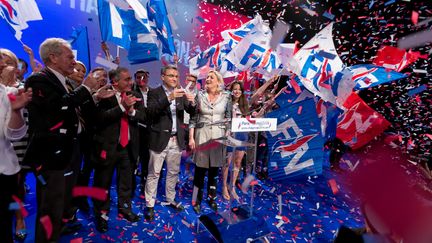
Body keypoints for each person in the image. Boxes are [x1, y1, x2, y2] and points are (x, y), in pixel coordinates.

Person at [24, 38, 100, 242]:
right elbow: (56, 109)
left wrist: (91, 94)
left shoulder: (64, 81)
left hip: (69, 151)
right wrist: (84, 89)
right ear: (53, 57)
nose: (74, 62)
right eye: (70, 57)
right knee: (50, 207)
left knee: (60, 203)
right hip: (51, 156)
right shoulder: (38, 79)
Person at [91, 67, 146, 232]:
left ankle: (125, 208)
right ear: (115, 82)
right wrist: (122, 107)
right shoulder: (103, 95)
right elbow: (99, 119)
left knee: (126, 182)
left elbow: (143, 116)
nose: (131, 82)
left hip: (128, 148)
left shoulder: (135, 95)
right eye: (127, 79)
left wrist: (132, 111)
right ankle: (102, 214)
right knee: (103, 183)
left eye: (130, 79)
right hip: (107, 148)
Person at [144, 65, 196, 221]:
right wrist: (169, 98)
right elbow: (150, 112)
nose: (174, 78)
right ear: (162, 77)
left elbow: (191, 112)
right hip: (159, 140)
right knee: (154, 173)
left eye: (176, 76)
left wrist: (192, 103)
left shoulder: (180, 93)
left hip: (176, 140)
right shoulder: (154, 92)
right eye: (171, 75)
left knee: (173, 172)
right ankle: (150, 205)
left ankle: (170, 199)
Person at [188, 70, 232, 214]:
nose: (207, 79)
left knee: (214, 171)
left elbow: (228, 118)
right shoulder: (199, 95)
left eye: (211, 77)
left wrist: (227, 135)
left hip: (219, 138)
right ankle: (196, 200)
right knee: (199, 171)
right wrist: (191, 138)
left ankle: (211, 198)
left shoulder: (226, 96)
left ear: (218, 82)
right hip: (202, 136)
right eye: (207, 77)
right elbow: (193, 119)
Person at [0, 50, 32, 243]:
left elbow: (14, 132)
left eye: (9, 62)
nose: (4, 65)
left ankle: (19, 219)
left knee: (17, 189)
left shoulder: (16, 91)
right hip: (11, 151)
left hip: (17, 150)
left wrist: (16, 111)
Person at [222, 81, 249, 201]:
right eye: (235, 89)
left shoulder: (244, 104)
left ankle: (231, 186)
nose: (237, 91)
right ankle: (223, 187)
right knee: (227, 163)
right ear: (231, 90)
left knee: (237, 162)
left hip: (242, 135)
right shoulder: (226, 103)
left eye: (239, 89)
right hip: (229, 135)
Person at [132, 69, 151, 198]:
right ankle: (131, 186)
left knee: (146, 160)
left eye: (143, 77)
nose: (141, 80)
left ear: (148, 77)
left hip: (148, 132)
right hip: (135, 131)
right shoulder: (132, 92)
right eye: (138, 77)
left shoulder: (153, 92)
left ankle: (144, 185)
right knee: (133, 160)